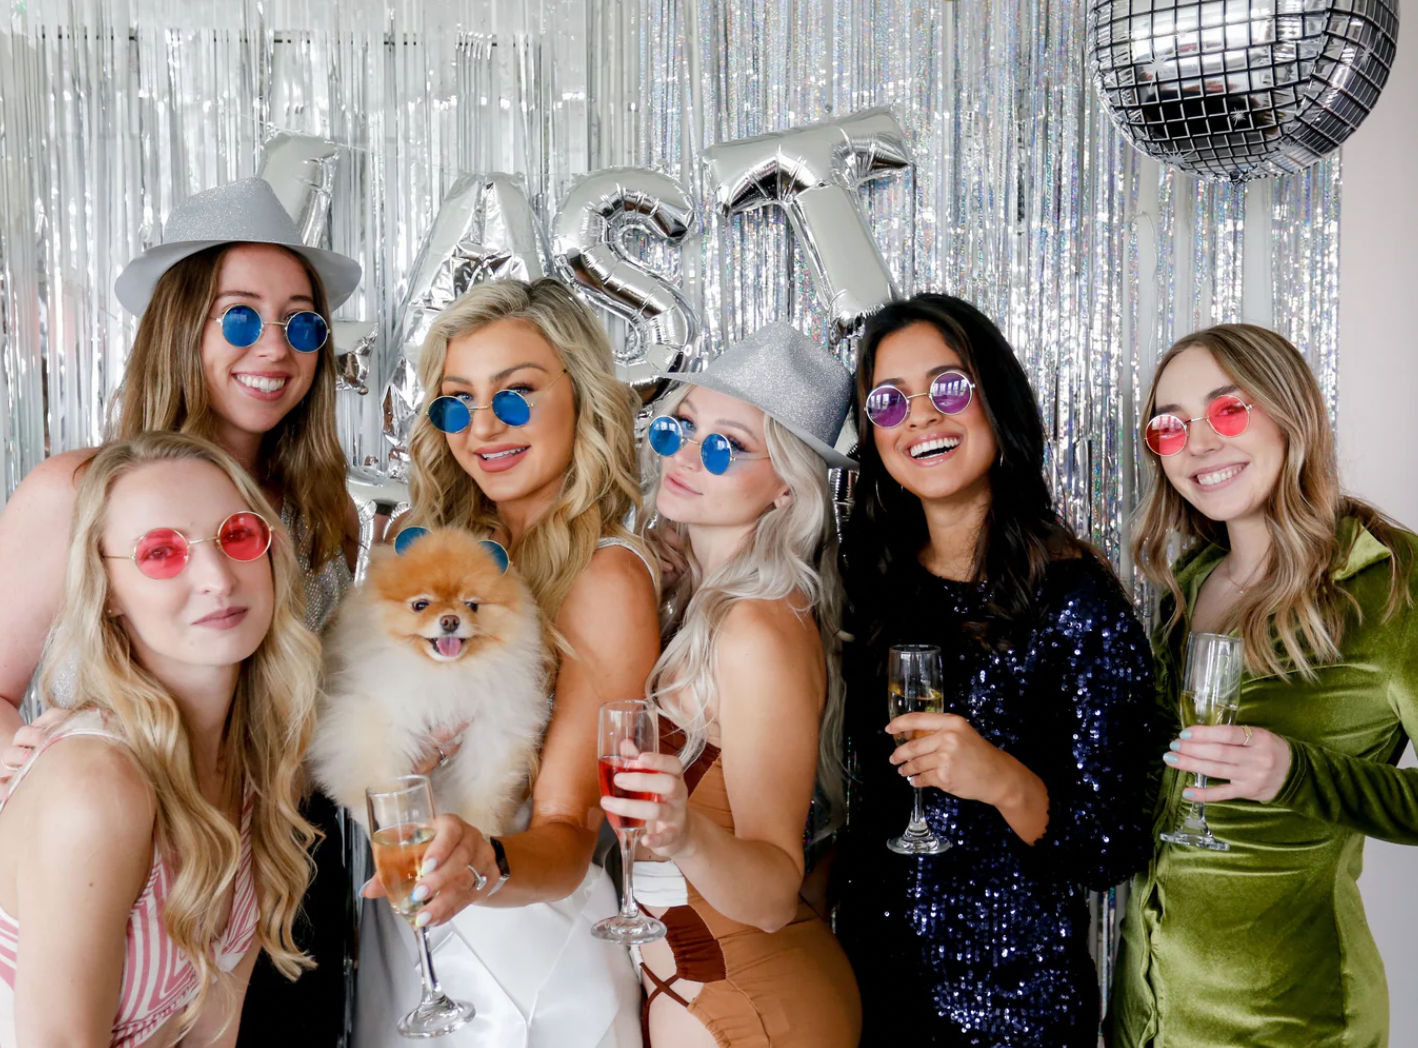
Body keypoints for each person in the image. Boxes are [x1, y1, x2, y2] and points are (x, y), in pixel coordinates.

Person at [0, 177, 363, 1043]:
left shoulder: (317, 510)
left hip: (272, 855)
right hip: (118, 860)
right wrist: (39, 772)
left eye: (302, 324)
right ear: (179, 328)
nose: (275, 347)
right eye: (240, 317)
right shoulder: (75, 492)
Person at [831, 293, 1158, 1046]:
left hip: (1015, 1015)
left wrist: (998, 777)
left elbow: (1112, 848)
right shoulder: (868, 579)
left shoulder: (1075, 599)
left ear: (996, 401)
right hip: (872, 994)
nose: (919, 417)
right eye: (889, 401)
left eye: (947, 388)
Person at [355, 278, 660, 1047]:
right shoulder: (421, 554)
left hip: (525, 968)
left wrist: (479, 860)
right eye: (458, 401)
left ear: (581, 395)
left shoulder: (605, 577)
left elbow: (568, 835)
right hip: (413, 938)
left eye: (517, 393)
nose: (484, 425)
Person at [1108, 324, 1418, 1047]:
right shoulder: (1188, 583)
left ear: (1292, 414)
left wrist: (1296, 772)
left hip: (1290, 1021)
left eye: (1228, 409)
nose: (1199, 443)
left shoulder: (1394, 582)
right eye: (1170, 425)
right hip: (1149, 1012)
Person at [0, 432, 320, 1046]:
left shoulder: (257, 761)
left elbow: (208, 1035)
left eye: (237, 535)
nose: (218, 579)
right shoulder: (97, 785)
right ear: (108, 592)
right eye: (161, 553)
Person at [599, 322, 862, 1047]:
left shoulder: (755, 632)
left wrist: (684, 834)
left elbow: (776, 892)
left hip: (750, 999)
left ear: (786, 488)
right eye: (683, 427)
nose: (688, 455)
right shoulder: (702, 603)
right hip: (696, 988)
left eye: (727, 446)